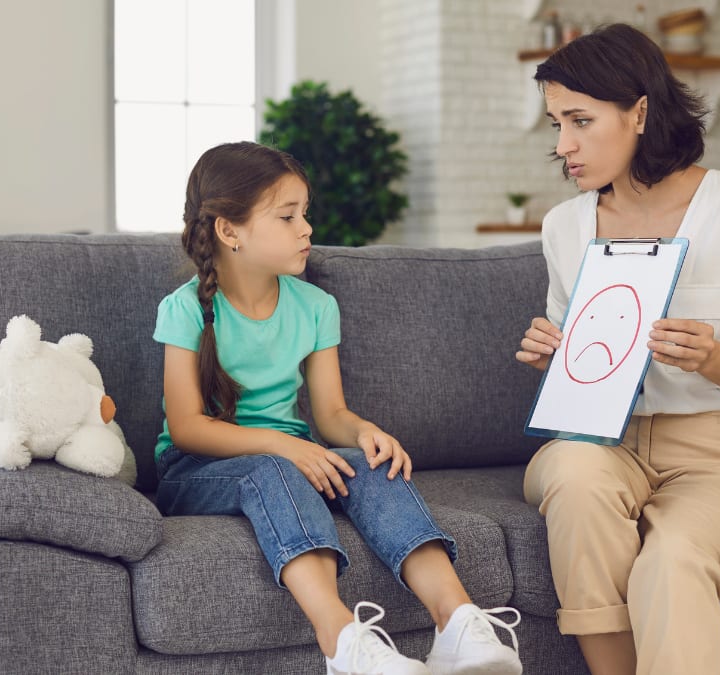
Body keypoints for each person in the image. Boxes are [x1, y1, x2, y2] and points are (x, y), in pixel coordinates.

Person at [154, 141, 522, 675]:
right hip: (196, 471)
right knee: (273, 467)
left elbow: (330, 416)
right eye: (286, 217)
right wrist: (286, 445)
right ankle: (343, 643)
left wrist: (363, 431)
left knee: (368, 462)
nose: (306, 228)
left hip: (295, 461)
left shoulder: (316, 306)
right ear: (229, 231)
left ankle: (459, 624)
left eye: (306, 214)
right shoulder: (184, 309)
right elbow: (187, 428)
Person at [515, 24, 720, 675]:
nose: (564, 146)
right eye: (557, 123)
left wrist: (711, 357)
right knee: (575, 479)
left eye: (580, 120)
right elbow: (582, 365)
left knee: (672, 557)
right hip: (600, 442)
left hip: (715, 457)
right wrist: (554, 354)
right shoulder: (565, 226)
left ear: (639, 111)